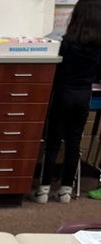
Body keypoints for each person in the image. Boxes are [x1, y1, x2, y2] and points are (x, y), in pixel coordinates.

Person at [32, 0, 101, 204]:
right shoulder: (99, 47)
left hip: (63, 93)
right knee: (74, 143)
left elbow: (57, 72)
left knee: (53, 143)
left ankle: (43, 190)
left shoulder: (66, 43)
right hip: (84, 95)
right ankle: (66, 191)